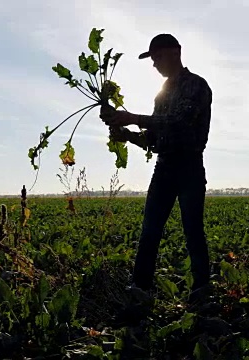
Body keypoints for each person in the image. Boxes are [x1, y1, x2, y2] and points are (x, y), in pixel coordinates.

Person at [100, 33, 213, 309]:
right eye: (152, 59)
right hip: (164, 169)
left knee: (192, 230)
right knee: (149, 231)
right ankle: (139, 290)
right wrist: (126, 134)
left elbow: (179, 123)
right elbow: (154, 138)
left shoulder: (196, 86)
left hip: (189, 167)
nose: (154, 64)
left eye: (157, 56)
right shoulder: (161, 93)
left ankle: (201, 293)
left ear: (176, 52)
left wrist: (132, 118)